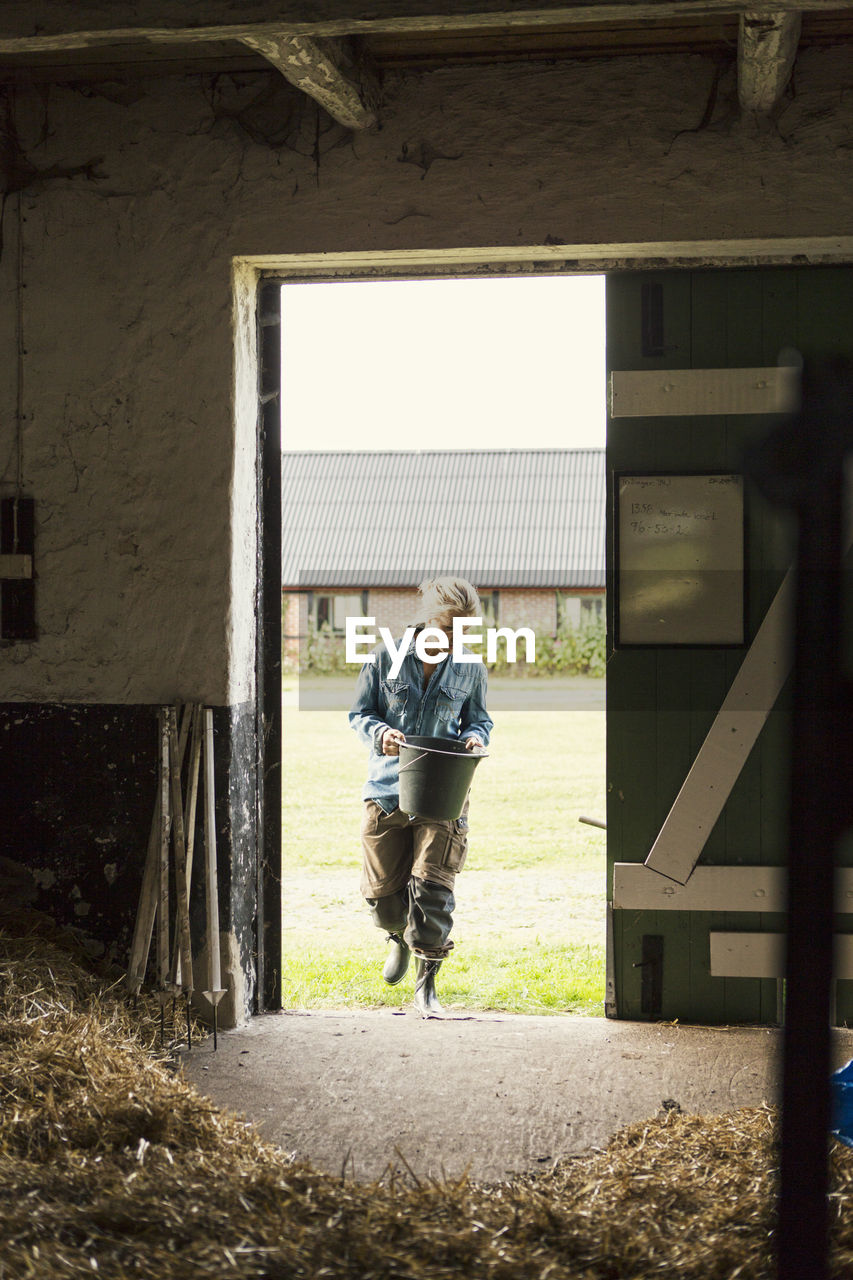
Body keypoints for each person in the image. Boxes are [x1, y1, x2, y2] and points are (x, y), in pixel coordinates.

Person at [348, 577, 493, 1017]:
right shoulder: (384, 658)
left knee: (433, 890)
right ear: (426, 619)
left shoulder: (471, 668)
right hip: (387, 791)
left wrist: (473, 739)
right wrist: (380, 733)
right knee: (383, 900)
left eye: (462, 632)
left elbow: (479, 721)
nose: (452, 641)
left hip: (444, 791)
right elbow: (360, 713)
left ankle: (426, 989)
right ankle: (397, 935)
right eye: (446, 629)